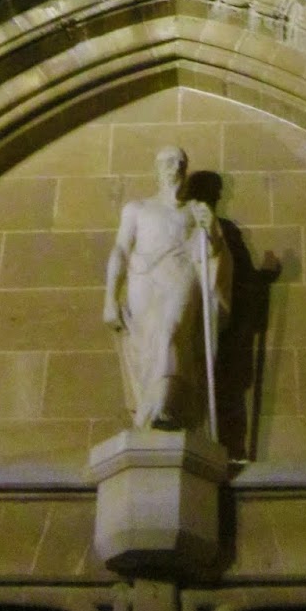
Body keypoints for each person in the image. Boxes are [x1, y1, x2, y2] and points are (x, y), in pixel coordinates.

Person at [103, 146, 230, 431]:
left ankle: (160, 407)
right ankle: (151, 403)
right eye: (168, 161)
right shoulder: (137, 208)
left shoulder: (195, 210)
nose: (175, 167)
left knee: (170, 331)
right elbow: (121, 249)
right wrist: (110, 298)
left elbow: (212, 253)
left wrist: (210, 228)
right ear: (156, 169)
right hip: (143, 279)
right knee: (147, 340)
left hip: (181, 276)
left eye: (181, 162)